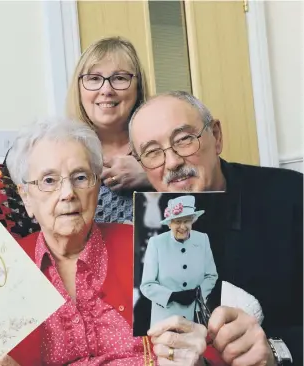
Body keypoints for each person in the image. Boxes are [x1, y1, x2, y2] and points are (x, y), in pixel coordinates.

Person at [0, 117, 227, 366]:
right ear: (26, 197)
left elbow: (203, 344)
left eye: (80, 177)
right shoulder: (4, 269)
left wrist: (196, 359)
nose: (68, 194)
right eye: (49, 181)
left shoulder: (147, 244)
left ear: (97, 186)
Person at [129, 90, 303, 366]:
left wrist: (278, 350)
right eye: (152, 153)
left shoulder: (293, 196)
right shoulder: (144, 235)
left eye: (184, 140)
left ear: (217, 137)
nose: (172, 162)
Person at [66, 36, 151, 223]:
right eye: (94, 79)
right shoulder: (59, 148)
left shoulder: (164, 145)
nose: (106, 89)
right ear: (79, 88)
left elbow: (208, 194)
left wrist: (150, 176)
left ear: (138, 88)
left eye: (119, 78)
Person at [140, 195, 218, 327]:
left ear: (193, 220)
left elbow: (211, 275)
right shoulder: (156, 243)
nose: (183, 226)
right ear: (170, 223)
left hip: (195, 317)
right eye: (177, 221)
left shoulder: (202, 239)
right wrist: (172, 296)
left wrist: (198, 295)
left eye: (187, 221)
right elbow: (147, 285)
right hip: (165, 319)